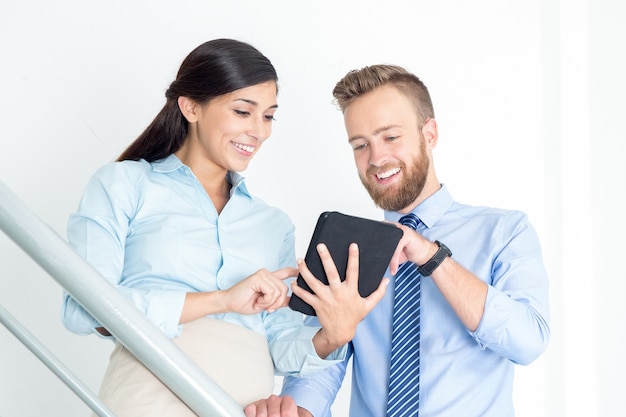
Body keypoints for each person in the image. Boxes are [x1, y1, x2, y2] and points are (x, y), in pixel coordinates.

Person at [60, 39, 387, 417]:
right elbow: (84, 310)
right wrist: (220, 300)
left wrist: (333, 334)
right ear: (190, 106)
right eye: (242, 111)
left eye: (268, 116)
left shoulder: (272, 224)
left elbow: (280, 345)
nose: (259, 131)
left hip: (244, 408)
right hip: (147, 400)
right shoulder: (124, 185)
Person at [263, 65, 550, 417]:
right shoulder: (349, 249)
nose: (376, 158)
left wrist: (430, 255)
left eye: (390, 137)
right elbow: (325, 359)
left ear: (429, 133)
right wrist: (300, 410)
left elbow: (529, 341)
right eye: (360, 145)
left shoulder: (504, 231)